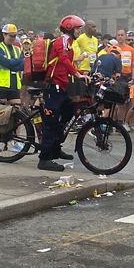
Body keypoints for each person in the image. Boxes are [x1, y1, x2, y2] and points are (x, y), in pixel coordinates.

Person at [37, 14, 84, 171]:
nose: (80, 32)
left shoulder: (69, 42)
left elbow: (67, 64)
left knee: (69, 110)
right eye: (78, 29)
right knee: (51, 123)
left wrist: (81, 74)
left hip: (62, 86)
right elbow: (63, 59)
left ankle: (56, 148)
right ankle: (44, 159)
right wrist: (77, 74)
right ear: (70, 28)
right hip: (53, 86)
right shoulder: (62, 41)